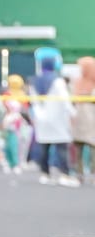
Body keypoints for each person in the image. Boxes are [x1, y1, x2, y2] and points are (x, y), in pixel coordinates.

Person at [29, 46, 76, 187]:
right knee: (61, 147)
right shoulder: (58, 81)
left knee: (44, 147)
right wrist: (73, 113)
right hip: (57, 120)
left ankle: (45, 174)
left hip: (42, 121)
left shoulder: (34, 81)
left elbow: (34, 102)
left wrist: (38, 116)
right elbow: (64, 100)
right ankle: (64, 174)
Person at [71, 57, 95, 179]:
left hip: (91, 118)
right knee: (78, 146)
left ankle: (92, 172)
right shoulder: (77, 81)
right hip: (79, 117)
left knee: (92, 147)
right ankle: (79, 172)